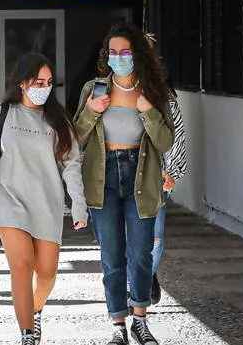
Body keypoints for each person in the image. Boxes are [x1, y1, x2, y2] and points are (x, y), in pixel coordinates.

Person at [0, 52, 88, 345]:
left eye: (49, 82)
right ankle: (27, 334)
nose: (44, 86)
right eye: (38, 81)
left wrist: (78, 204)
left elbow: (72, 163)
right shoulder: (1, 112)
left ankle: (36, 309)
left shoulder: (58, 119)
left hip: (47, 203)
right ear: (22, 83)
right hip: (9, 201)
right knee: (21, 265)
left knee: (47, 274)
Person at [74, 22, 175, 345]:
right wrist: (91, 112)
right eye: (113, 52)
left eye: (125, 52)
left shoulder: (152, 90)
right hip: (102, 176)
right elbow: (75, 137)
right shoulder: (95, 89)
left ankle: (140, 319)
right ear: (107, 56)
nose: (119, 57)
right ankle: (118, 323)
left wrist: (147, 111)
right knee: (112, 256)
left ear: (137, 55)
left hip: (140, 176)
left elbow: (166, 141)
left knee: (142, 253)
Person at [151, 82, 187, 304]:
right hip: (119, 178)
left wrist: (172, 172)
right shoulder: (106, 91)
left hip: (155, 179)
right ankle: (131, 287)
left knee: (155, 240)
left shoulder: (163, 96)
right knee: (123, 239)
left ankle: (144, 276)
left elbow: (176, 135)